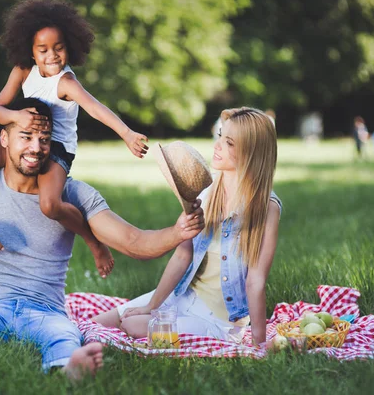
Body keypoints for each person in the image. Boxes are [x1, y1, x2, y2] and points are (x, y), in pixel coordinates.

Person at [0, 98, 205, 378]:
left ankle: (68, 368)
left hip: (46, 314)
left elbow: (132, 241)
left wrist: (177, 232)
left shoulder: (72, 194)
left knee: (65, 331)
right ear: (3, 139)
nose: (36, 147)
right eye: (26, 136)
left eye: (44, 139)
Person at [0, 0, 149, 279]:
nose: (52, 55)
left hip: (55, 149)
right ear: (30, 52)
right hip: (25, 136)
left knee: (50, 205)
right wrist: (17, 117)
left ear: (69, 47)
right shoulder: (23, 71)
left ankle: (95, 243)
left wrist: (127, 134)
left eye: (59, 48)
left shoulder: (67, 83)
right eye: (43, 50)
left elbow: (95, 108)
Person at [93, 107, 282, 347]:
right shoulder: (206, 191)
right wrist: (152, 305)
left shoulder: (266, 208)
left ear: (252, 151)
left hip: (219, 321)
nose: (218, 145)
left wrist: (259, 343)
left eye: (229, 143)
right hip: (183, 296)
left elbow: (256, 281)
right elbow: (182, 256)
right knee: (101, 321)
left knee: (131, 326)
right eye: (221, 136)